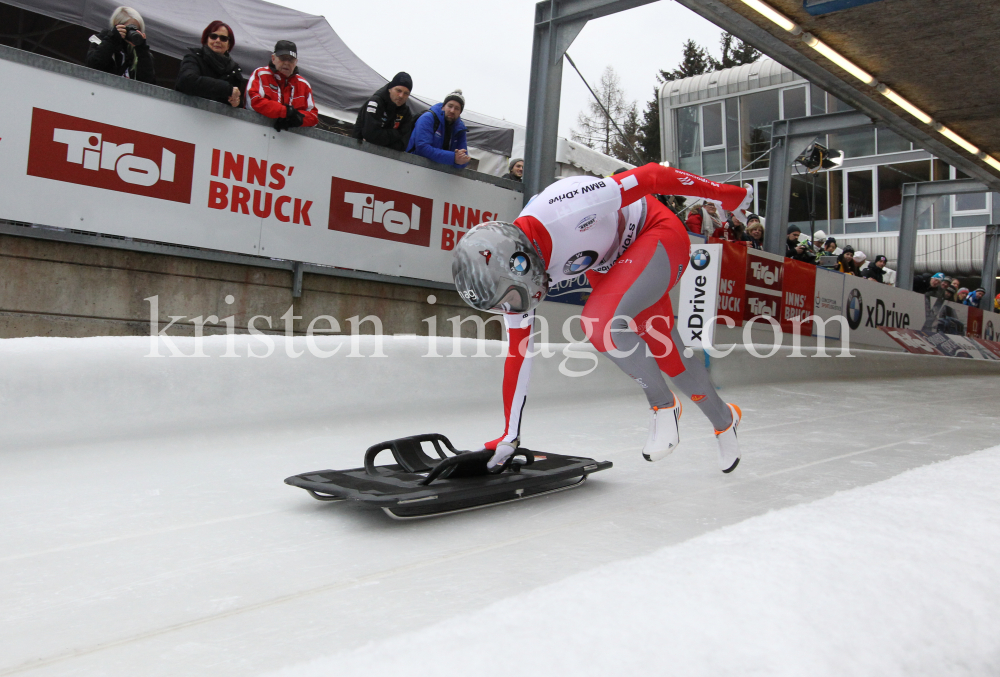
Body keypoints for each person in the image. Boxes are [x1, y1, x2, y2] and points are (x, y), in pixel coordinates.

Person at [452, 164, 754, 474]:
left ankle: (664, 406)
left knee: (600, 322)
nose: (516, 308)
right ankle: (725, 420)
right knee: (670, 354)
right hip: (614, 264)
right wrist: (509, 435)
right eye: (503, 306)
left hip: (655, 230)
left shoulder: (564, 206)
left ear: (518, 263)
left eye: (511, 298)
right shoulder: (515, 276)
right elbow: (517, 355)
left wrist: (728, 195)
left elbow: (652, 176)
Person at [246, 40, 318, 131]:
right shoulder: (260, 74)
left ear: (296, 62)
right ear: (273, 58)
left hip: (288, 141)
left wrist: (297, 119)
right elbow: (253, 102)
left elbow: (314, 117)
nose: (287, 63)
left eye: (291, 60)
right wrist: (285, 112)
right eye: (283, 58)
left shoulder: (304, 85)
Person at [175, 21, 245, 108]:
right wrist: (227, 89)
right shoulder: (194, 58)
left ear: (229, 45)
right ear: (206, 39)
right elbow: (186, 81)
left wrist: (236, 102)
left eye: (223, 38)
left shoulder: (234, 71)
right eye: (213, 36)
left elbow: (239, 102)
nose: (218, 40)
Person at [85, 6, 154, 84]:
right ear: (117, 25)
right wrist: (112, 38)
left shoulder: (138, 52)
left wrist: (142, 50)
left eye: (137, 29)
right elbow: (92, 66)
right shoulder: (100, 40)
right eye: (130, 28)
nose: (133, 32)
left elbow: (148, 82)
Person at [406, 89, 470, 168]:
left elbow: (464, 160)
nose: (452, 111)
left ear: (460, 112)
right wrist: (453, 158)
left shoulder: (460, 129)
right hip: (412, 168)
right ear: (443, 107)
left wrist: (459, 161)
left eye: (457, 108)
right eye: (450, 106)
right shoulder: (428, 118)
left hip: (437, 175)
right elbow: (422, 148)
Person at [353, 72, 414, 152]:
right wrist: (397, 133)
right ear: (390, 89)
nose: (401, 96)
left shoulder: (406, 113)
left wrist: (382, 137)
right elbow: (371, 135)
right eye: (398, 90)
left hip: (387, 160)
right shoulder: (375, 102)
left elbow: (402, 145)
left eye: (406, 93)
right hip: (361, 153)